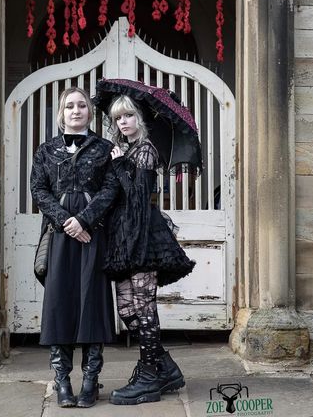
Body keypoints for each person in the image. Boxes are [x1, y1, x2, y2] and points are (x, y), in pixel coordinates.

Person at [30, 87, 119, 409]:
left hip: (92, 234)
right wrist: (66, 221)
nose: (76, 110)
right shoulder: (46, 150)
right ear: (61, 112)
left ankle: (91, 382)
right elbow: (38, 189)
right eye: (70, 106)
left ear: (89, 113)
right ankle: (63, 381)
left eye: (82, 105)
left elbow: (111, 190)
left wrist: (84, 220)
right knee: (60, 303)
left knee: (91, 302)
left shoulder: (105, 148)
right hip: (58, 235)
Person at [105, 94, 195, 406]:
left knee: (144, 307)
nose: (123, 122)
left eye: (128, 116)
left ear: (139, 119)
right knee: (127, 309)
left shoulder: (145, 151)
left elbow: (137, 197)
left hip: (143, 236)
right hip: (125, 237)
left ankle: (148, 376)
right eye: (118, 118)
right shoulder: (127, 150)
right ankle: (164, 367)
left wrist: (117, 164)